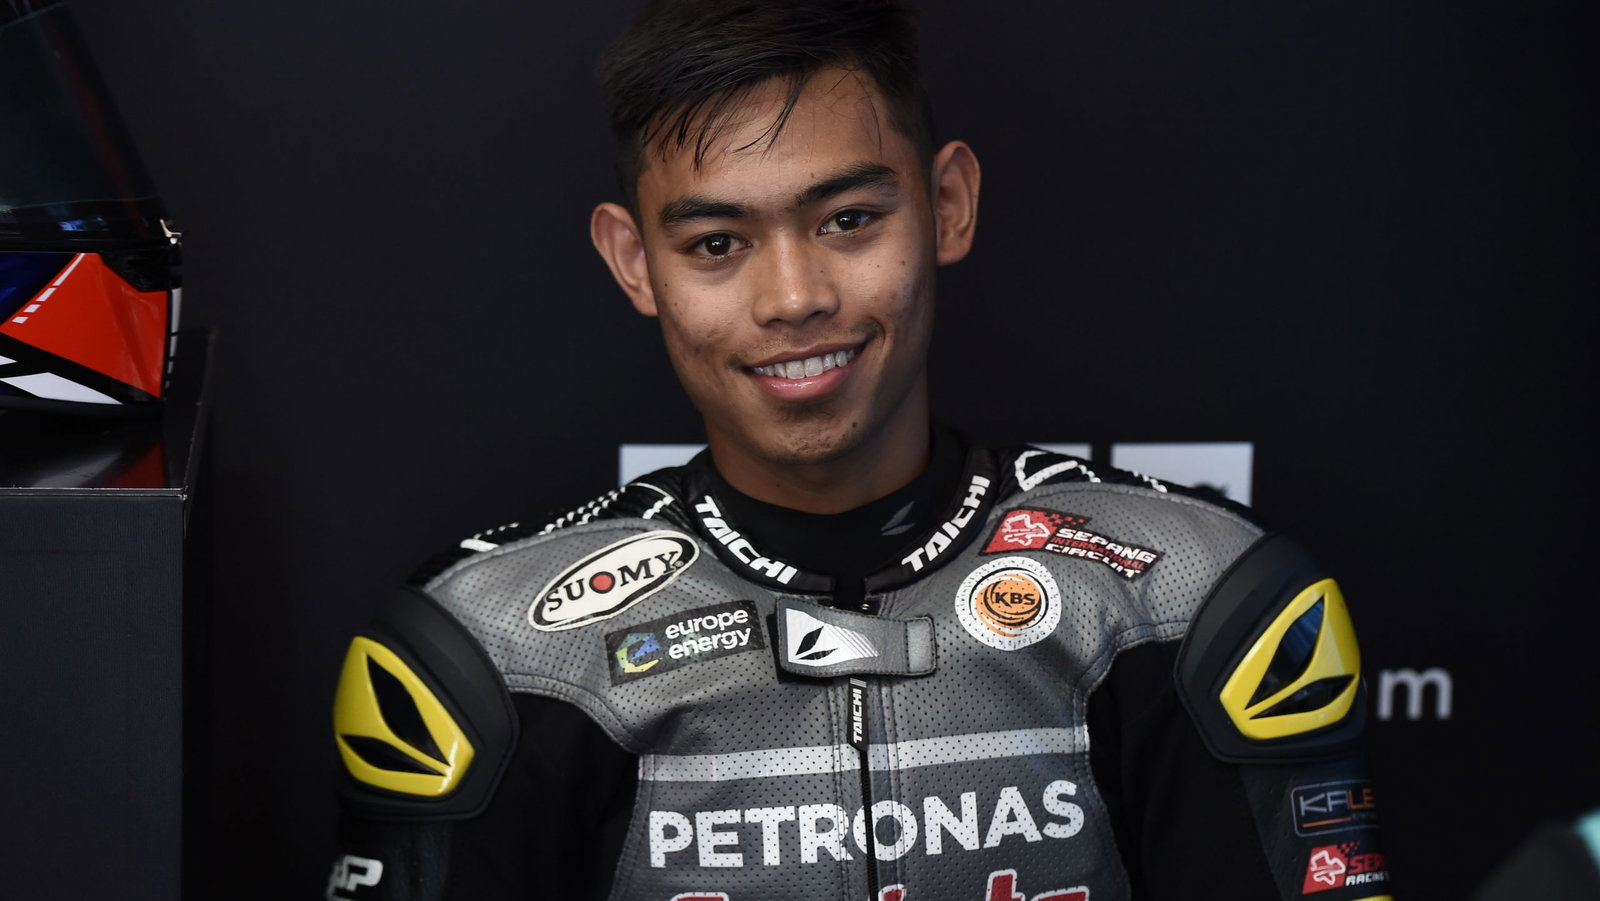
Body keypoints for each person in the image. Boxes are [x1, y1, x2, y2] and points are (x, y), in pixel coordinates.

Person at [325, 1, 1393, 899]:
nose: (793, 298)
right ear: (634, 261)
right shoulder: (494, 651)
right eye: (716, 244)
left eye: (846, 220)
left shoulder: (1185, 599)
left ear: (946, 205)